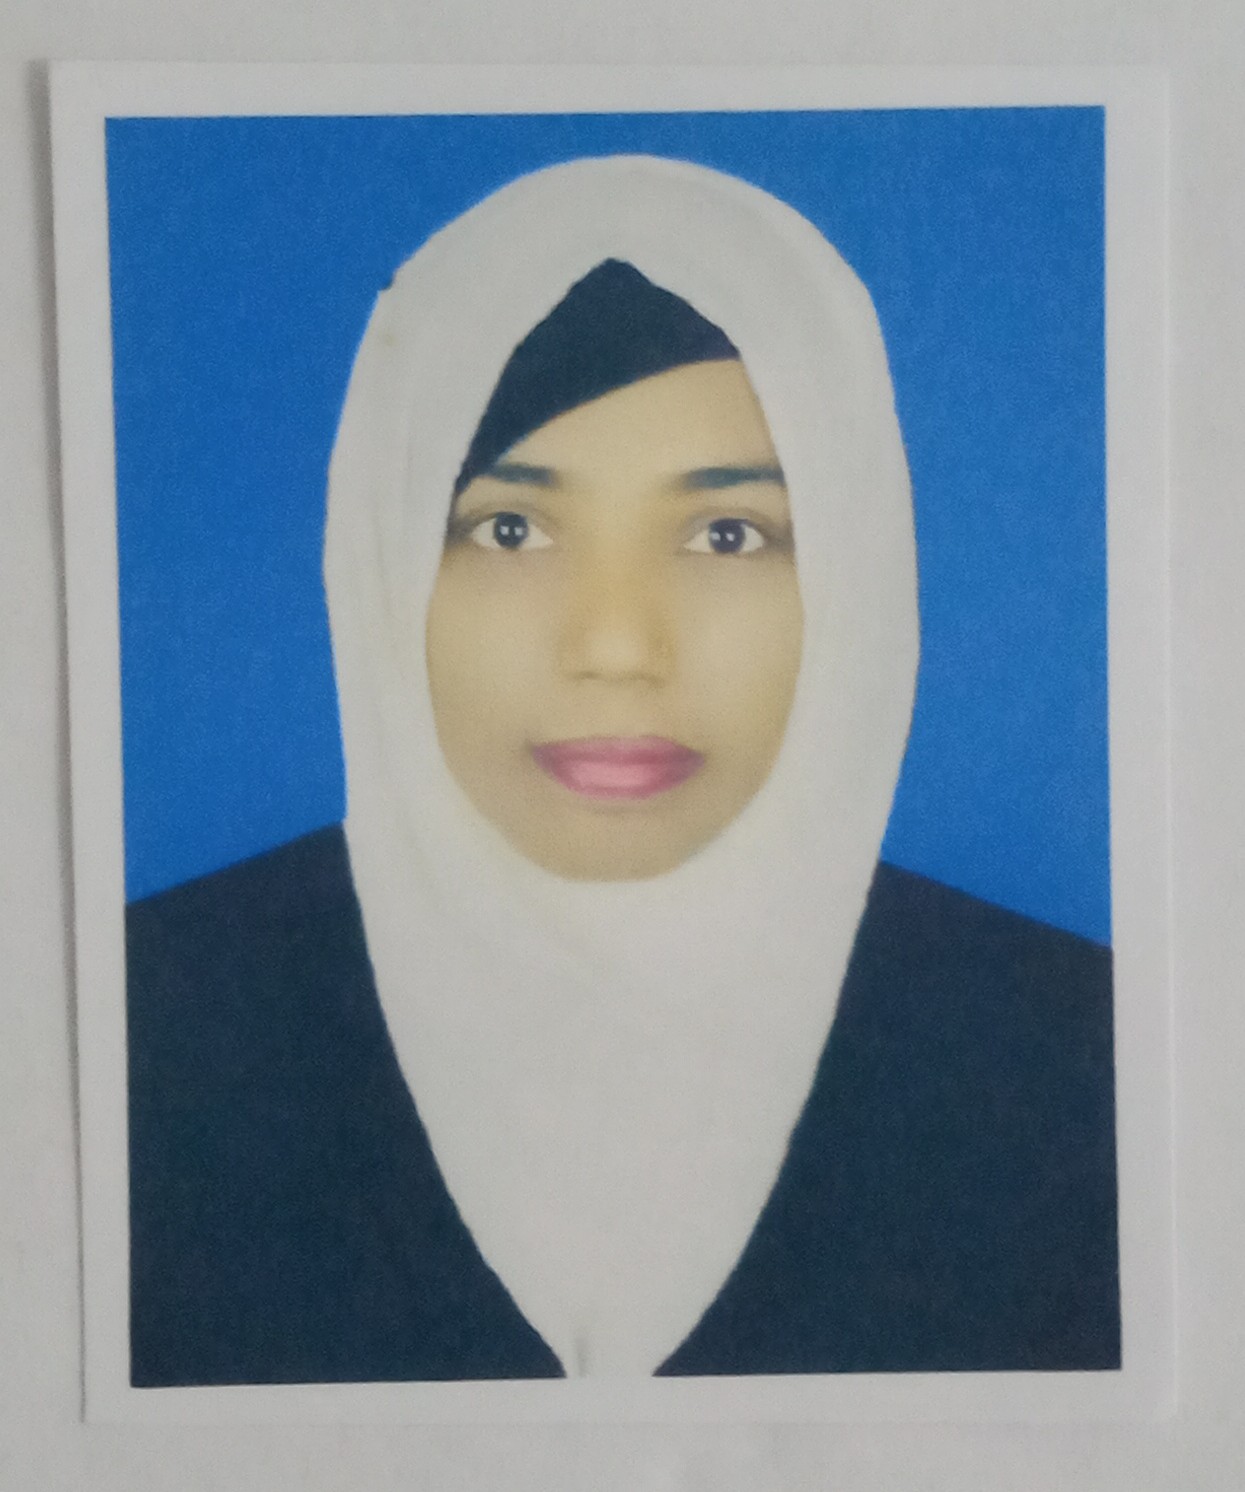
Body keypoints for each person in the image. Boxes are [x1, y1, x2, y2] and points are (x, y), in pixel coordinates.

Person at [126, 155, 1119, 1386]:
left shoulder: (1084, 1056)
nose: (615, 646)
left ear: (855, 571)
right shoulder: (136, 1026)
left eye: (726, 534)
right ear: (382, 564)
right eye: (511, 529)